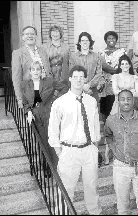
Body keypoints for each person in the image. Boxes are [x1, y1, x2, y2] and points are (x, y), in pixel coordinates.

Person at [48, 65, 102, 215]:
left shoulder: (91, 101)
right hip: (69, 150)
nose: (79, 80)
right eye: (75, 77)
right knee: (66, 190)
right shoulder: (60, 102)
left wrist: (95, 145)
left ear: (85, 79)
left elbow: (96, 125)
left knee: (92, 188)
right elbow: (53, 129)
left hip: (89, 150)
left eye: (81, 77)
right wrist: (60, 151)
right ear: (70, 79)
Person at [21, 60, 68, 171]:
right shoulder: (25, 84)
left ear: (41, 71)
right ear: (30, 72)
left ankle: (57, 168)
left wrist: (55, 101)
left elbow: (64, 88)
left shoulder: (49, 81)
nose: (36, 72)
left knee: (52, 140)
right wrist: (28, 112)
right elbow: (24, 102)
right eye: (33, 69)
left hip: (49, 114)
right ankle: (47, 168)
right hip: (36, 117)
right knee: (42, 143)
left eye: (38, 69)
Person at [98, 30, 127, 165]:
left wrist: (114, 72)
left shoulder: (122, 52)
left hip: (118, 90)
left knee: (119, 120)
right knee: (106, 120)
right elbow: (102, 66)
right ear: (106, 40)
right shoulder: (100, 53)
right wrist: (115, 70)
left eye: (113, 38)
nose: (111, 40)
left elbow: (125, 66)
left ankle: (119, 151)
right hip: (105, 90)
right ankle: (107, 150)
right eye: (109, 38)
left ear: (116, 40)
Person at [12, 26, 51, 109]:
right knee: (32, 119)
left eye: (32, 34)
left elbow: (48, 71)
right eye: (27, 34)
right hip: (30, 93)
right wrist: (19, 98)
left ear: (36, 36)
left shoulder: (43, 52)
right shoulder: (17, 53)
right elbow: (16, 77)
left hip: (45, 91)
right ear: (23, 37)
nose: (30, 36)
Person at [69, 32, 102, 101]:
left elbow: (99, 73)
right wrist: (82, 86)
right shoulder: (73, 57)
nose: (85, 42)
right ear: (80, 43)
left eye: (87, 40)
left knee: (93, 110)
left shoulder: (96, 56)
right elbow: (72, 73)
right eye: (82, 40)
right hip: (77, 90)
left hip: (92, 90)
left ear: (90, 42)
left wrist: (89, 85)